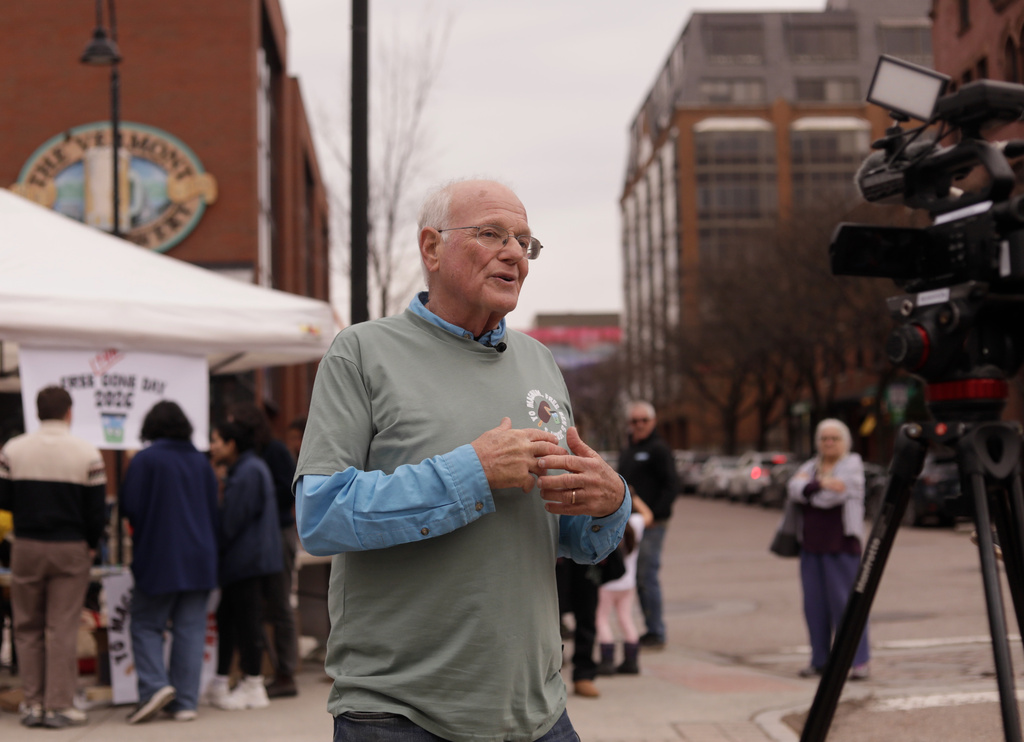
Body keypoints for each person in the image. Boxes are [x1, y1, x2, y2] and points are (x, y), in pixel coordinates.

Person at [294, 178, 630, 742]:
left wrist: (608, 500)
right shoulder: (360, 352)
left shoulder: (541, 361)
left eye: (525, 242)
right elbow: (320, 515)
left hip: (538, 711)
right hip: (400, 713)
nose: (515, 254)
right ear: (432, 248)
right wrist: (472, 472)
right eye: (492, 234)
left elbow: (574, 537)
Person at [0, 386, 106, 729]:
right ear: (69, 412)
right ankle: (59, 703)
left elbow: (4, 503)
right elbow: (96, 511)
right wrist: (91, 544)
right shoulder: (87, 453)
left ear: (37, 411)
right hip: (70, 546)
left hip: (26, 545)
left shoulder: (13, 450)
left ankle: (32, 703)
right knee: (61, 625)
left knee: (26, 625)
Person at [121, 401, 219, 724]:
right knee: (190, 629)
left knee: (145, 623)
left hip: (159, 555)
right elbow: (214, 510)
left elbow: (129, 506)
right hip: (201, 557)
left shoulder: (145, 460)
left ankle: (154, 687)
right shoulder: (202, 462)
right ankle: (186, 702)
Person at [206, 419, 283, 710]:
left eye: (215, 441)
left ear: (231, 445)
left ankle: (253, 683)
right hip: (246, 560)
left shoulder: (248, 471)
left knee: (247, 623)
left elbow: (230, 521)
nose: (211, 447)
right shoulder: (248, 468)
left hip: (246, 560)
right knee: (229, 620)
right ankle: (221, 682)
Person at [786, 418, 870, 680]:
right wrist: (822, 483)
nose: (829, 443)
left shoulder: (852, 464)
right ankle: (819, 660)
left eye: (834, 438)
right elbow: (793, 489)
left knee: (845, 605)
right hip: (811, 546)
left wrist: (811, 488)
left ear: (845, 442)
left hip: (842, 546)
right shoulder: (811, 465)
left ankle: (857, 662)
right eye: (824, 439)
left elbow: (831, 498)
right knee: (814, 606)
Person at [227, 402, 300, 698]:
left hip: (279, 532)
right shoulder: (249, 457)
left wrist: (263, 494)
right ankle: (267, 669)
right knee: (260, 606)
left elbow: (292, 487)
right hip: (260, 535)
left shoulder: (274, 452)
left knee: (280, 604)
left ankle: (286, 672)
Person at [616, 401, 679, 649]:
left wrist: (656, 514)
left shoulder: (659, 449)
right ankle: (643, 628)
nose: (639, 425)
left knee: (646, 574)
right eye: (634, 421)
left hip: (652, 523)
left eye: (644, 420)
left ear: (652, 422)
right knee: (631, 576)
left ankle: (656, 631)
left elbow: (672, 485)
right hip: (630, 522)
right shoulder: (628, 450)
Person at [597, 493, 654, 676]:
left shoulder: (607, 523)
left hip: (607, 584)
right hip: (628, 583)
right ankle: (631, 661)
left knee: (602, 619)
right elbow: (649, 515)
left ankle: (607, 661)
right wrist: (633, 495)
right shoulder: (635, 523)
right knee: (625, 618)